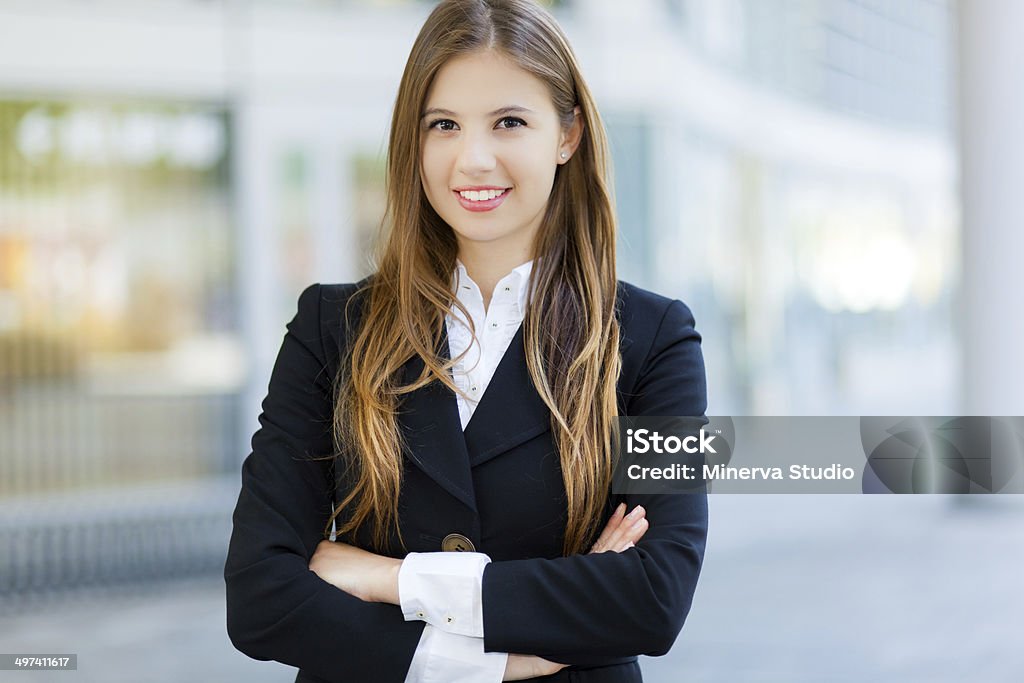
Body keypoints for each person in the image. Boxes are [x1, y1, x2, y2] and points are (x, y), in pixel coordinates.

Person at [224, 1, 708, 681]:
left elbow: (656, 596)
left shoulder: (660, 341)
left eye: (509, 122)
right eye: (443, 125)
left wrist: (395, 579)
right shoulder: (329, 329)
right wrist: (493, 660)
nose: (472, 159)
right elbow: (258, 596)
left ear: (567, 133)